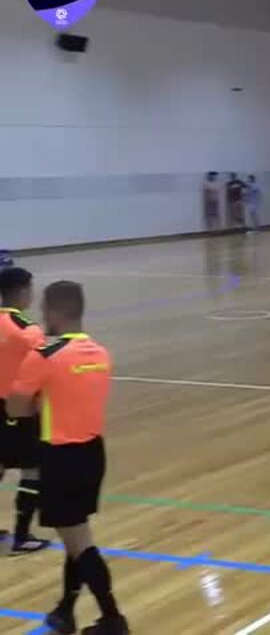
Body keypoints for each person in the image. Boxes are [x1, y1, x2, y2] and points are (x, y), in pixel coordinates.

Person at [10, 281, 128, 634]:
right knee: (75, 536)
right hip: (93, 455)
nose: (43, 315)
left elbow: (17, 406)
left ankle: (112, 618)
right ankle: (65, 610)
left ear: (56, 311)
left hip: (60, 458)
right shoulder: (101, 354)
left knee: (80, 543)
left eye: (45, 308)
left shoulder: (44, 356)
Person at [0, 267, 49, 555]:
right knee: (33, 470)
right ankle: (22, 536)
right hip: (20, 408)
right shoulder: (27, 330)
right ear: (22, 291)